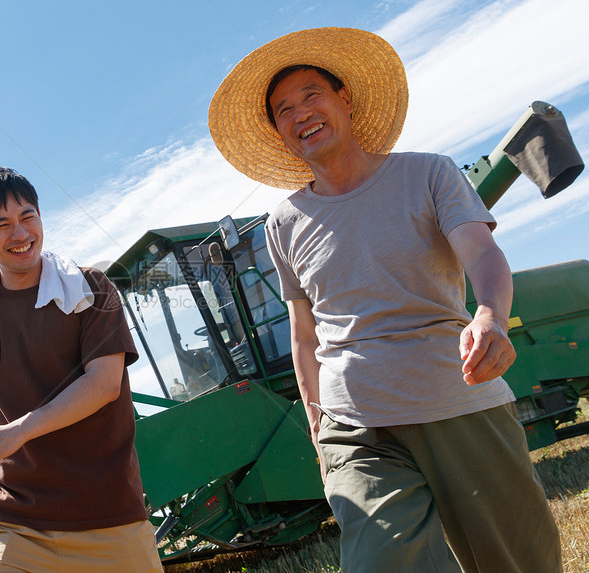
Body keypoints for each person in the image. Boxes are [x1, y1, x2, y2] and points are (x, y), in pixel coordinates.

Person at [208, 27, 561, 572]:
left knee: (516, 561)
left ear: (344, 98)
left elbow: (482, 253)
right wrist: (322, 434)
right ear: (278, 132)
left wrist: (490, 315)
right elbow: (305, 335)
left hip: (454, 397)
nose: (300, 113)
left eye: (311, 95)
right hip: (356, 426)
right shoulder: (283, 224)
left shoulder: (428, 173)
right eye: (283, 110)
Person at [0, 166, 163, 572]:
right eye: (2, 224)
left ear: (41, 217)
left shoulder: (91, 288)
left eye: (28, 217)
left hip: (109, 516)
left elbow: (104, 384)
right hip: (15, 524)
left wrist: (17, 431)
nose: (21, 233)